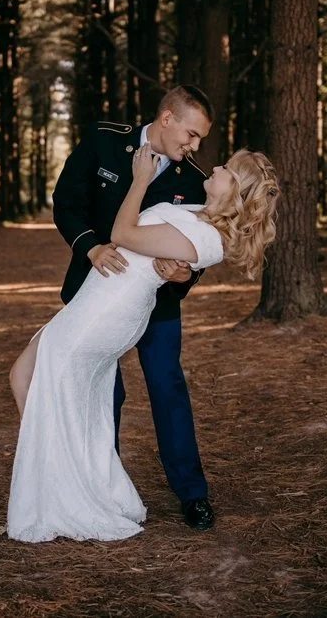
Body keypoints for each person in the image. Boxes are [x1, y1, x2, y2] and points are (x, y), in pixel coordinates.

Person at [6, 143, 279, 543]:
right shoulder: (197, 214)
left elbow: (124, 234)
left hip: (106, 311)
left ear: (234, 189)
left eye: (225, 168)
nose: (213, 164)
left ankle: (64, 486)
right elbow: (148, 241)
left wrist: (140, 181)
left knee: (36, 382)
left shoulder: (209, 236)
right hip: (96, 300)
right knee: (41, 385)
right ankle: (68, 478)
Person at [54, 85, 214, 529]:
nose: (194, 145)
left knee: (167, 386)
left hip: (156, 304)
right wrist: (90, 249)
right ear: (166, 118)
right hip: (96, 291)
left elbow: (196, 247)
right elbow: (67, 204)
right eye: (191, 133)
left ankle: (192, 492)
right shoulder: (106, 140)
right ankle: (102, 489)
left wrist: (186, 275)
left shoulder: (193, 180)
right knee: (104, 389)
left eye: (200, 139)